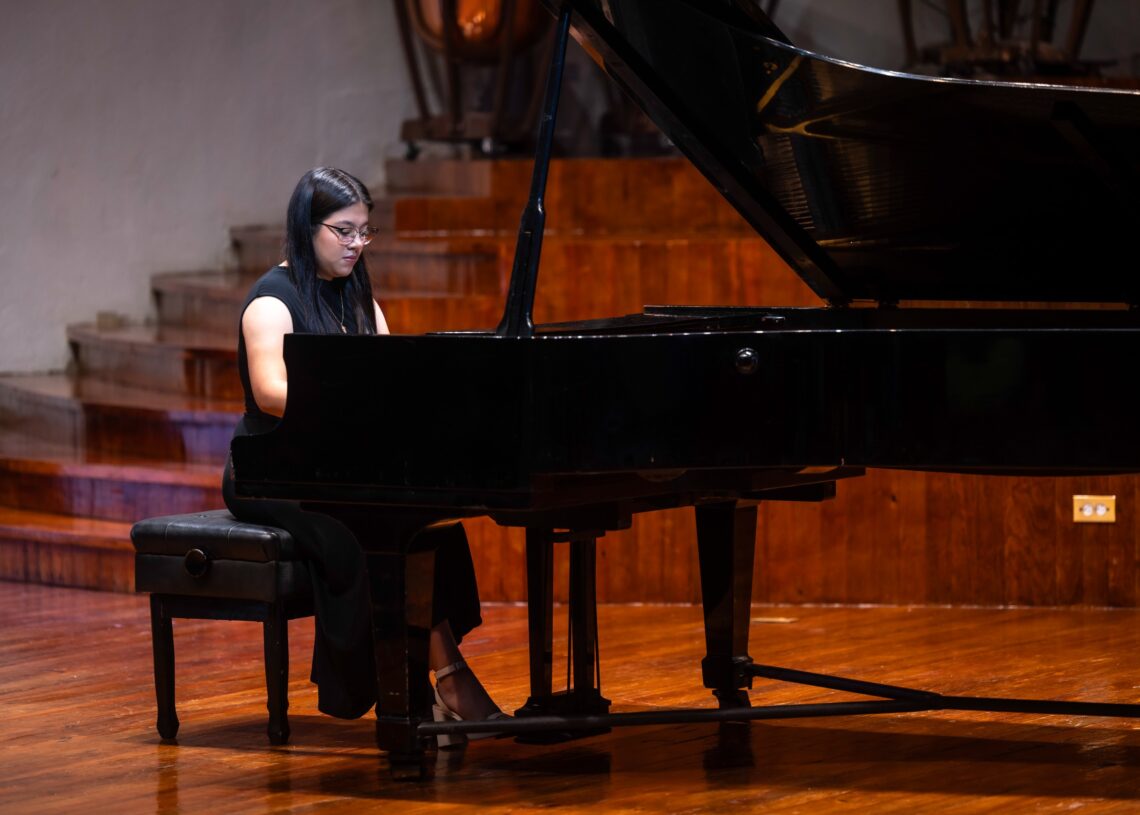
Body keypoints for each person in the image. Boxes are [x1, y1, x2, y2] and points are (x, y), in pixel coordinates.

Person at [222, 167, 505, 743]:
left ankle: (431, 683)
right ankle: (439, 683)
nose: (356, 244)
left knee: (427, 524)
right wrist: (352, 409)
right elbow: (271, 393)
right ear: (308, 227)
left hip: (338, 462)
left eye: (364, 232)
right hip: (272, 469)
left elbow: (386, 377)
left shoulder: (358, 297)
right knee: (366, 534)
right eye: (344, 231)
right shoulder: (271, 302)